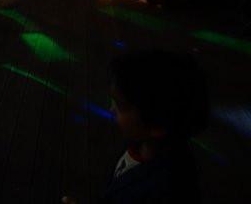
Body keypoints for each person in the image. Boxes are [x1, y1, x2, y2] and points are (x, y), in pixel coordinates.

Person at [65, 49, 209, 204]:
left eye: (121, 105)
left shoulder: (165, 190)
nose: (111, 109)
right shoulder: (142, 144)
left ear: (157, 126)